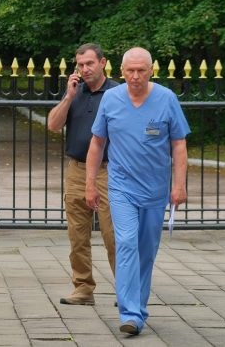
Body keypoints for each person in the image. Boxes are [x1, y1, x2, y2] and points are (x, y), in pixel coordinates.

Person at [85, 47, 189, 336]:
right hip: (122, 187)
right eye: (130, 70)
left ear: (151, 71)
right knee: (127, 242)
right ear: (121, 71)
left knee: (146, 250)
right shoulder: (111, 99)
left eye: (141, 70)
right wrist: (90, 183)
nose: (135, 76)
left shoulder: (166, 99)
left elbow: (179, 144)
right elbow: (97, 143)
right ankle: (129, 313)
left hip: (155, 190)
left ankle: (138, 309)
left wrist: (179, 186)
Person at [47, 43, 117, 306]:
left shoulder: (117, 93)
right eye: (80, 65)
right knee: (77, 235)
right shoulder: (75, 93)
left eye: (90, 63)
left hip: (109, 171)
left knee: (113, 235)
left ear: (103, 63)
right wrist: (68, 96)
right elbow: (53, 125)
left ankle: (126, 290)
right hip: (76, 170)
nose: (85, 69)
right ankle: (83, 288)